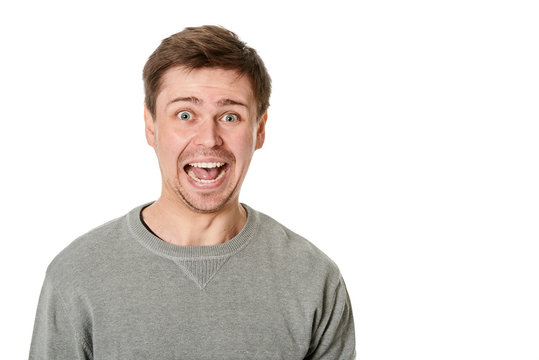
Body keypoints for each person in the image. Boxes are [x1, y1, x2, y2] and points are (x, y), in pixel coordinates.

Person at [29, 25, 356, 359]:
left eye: (230, 116)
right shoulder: (78, 275)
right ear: (150, 126)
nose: (208, 139)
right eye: (185, 114)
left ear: (259, 130)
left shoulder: (313, 280)